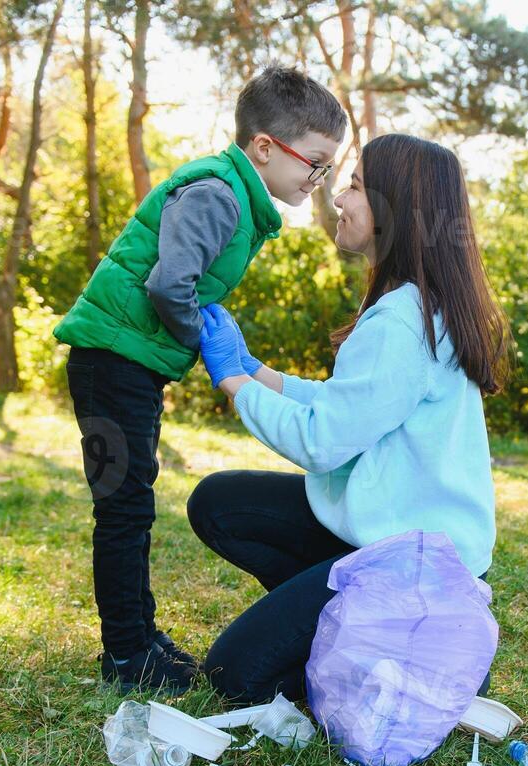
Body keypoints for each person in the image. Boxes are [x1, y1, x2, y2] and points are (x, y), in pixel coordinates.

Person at [188, 132, 513, 706]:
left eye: (357, 187)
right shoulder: (416, 304)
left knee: (232, 678)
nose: (338, 197)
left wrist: (232, 381)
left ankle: (404, 661)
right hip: (390, 544)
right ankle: (351, 628)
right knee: (220, 505)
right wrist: (258, 371)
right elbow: (351, 406)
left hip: (414, 573)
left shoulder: (402, 322)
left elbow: (322, 441)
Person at [54, 67, 347, 692]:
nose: (318, 180)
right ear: (265, 147)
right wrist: (203, 344)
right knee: (123, 508)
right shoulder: (219, 194)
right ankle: (127, 655)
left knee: (133, 503)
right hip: (111, 364)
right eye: (315, 163)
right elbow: (167, 284)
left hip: (130, 364)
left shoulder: (237, 199)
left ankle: (140, 635)